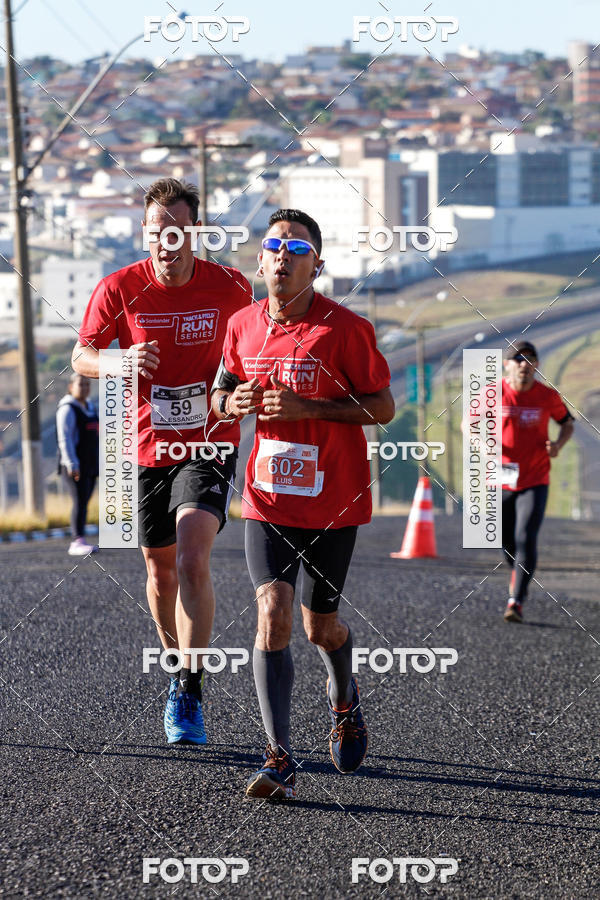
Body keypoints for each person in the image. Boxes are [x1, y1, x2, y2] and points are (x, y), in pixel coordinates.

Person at [211, 208, 394, 799]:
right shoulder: (240, 324)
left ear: (317, 264)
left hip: (333, 502)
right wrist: (229, 403)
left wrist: (309, 409)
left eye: (297, 248)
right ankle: (279, 756)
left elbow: (382, 406)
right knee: (272, 612)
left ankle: (344, 698)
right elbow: (219, 392)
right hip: (267, 500)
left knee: (320, 628)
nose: (284, 256)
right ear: (260, 261)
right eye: (274, 246)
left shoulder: (345, 329)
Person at [71, 177, 251, 743]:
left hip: (208, 439)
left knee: (194, 554)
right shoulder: (118, 287)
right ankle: (176, 668)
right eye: (155, 233)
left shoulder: (230, 286)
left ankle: (191, 688)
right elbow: (83, 355)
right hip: (145, 444)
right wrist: (121, 362)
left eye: (175, 232)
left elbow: (257, 341)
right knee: (159, 567)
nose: (164, 243)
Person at [501, 341, 574, 623]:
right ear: (507, 365)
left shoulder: (547, 396)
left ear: (537, 365)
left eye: (529, 359)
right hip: (503, 473)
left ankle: (516, 601)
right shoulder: (494, 394)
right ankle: (518, 573)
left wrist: (558, 444)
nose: (523, 364)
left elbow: (567, 423)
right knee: (505, 540)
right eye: (517, 359)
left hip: (535, 475)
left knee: (524, 537)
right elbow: (467, 423)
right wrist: (480, 443)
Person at [56, 373, 99, 556]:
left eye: (87, 384)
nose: (84, 388)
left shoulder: (91, 407)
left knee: (85, 501)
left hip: (91, 464)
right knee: (79, 501)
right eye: (81, 384)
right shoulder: (67, 409)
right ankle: (76, 541)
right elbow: (64, 439)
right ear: (71, 387)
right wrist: (72, 464)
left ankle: (80, 538)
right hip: (75, 465)